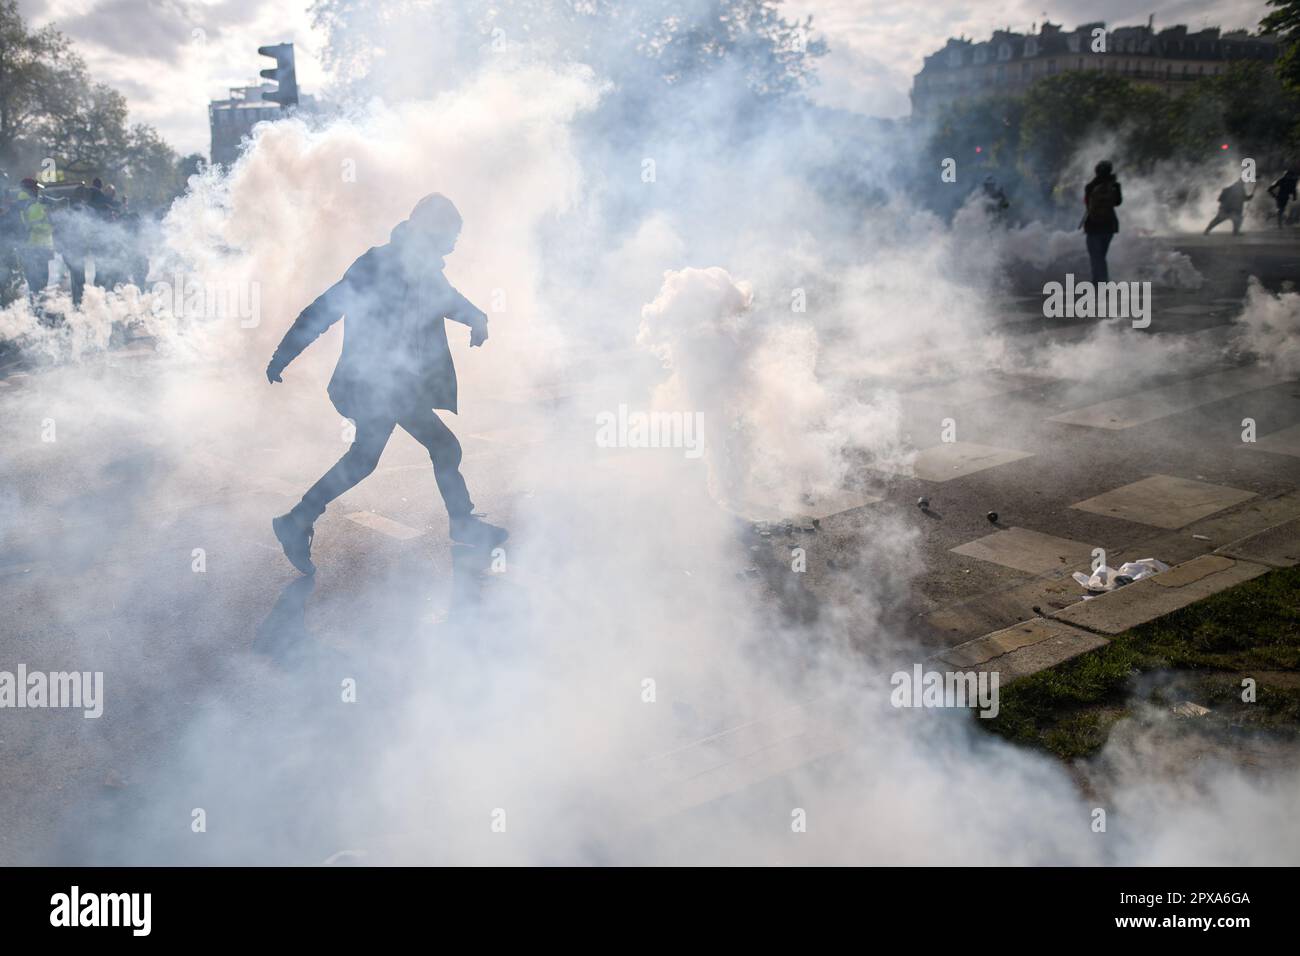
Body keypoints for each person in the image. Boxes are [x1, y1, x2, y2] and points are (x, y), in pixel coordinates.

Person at [266, 193, 506, 574]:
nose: (454, 244)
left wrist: (478, 319)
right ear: (431, 230)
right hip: (372, 384)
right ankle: (461, 523)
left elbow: (447, 300)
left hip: (396, 385)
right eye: (450, 234)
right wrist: (283, 354)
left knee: (382, 456)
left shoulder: (422, 267)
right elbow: (325, 309)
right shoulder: (376, 264)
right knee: (432, 448)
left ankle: (297, 520)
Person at [1081, 160, 1122, 283]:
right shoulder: (1115, 186)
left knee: (1096, 257)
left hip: (1093, 225)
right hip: (1109, 226)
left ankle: (1100, 282)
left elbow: (1087, 204)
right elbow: (1118, 202)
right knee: (1101, 256)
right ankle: (1101, 281)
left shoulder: (1090, 186)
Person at [15, 178, 54, 300]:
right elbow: (43, 227)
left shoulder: (21, 204)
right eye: (36, 188)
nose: (38, 191)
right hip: (37, 247)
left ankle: (35, 311)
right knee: (40, 283)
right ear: (30, 189)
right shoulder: (34, 206)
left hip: (29, 248)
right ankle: (38, 311)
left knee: (34, 284)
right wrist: (49, 225)